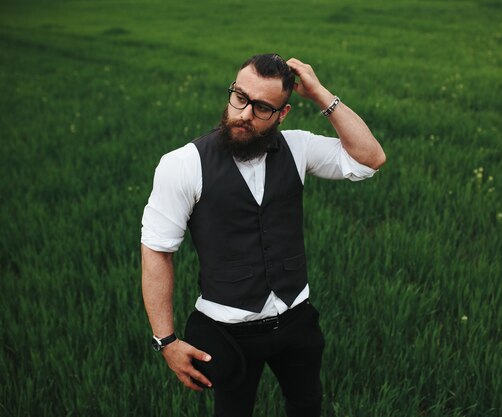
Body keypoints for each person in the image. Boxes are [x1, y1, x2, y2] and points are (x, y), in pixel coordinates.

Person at [141, 53, 386, 417]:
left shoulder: (297, 147)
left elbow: (370, 158)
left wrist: (320, 94)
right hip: (229, 331)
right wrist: (166, 341)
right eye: (239, 97)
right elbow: (157, 251)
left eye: (261, 108)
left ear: (282, 114)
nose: (243, 114)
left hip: (296, 319)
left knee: (306, 404)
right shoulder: (183, 164)